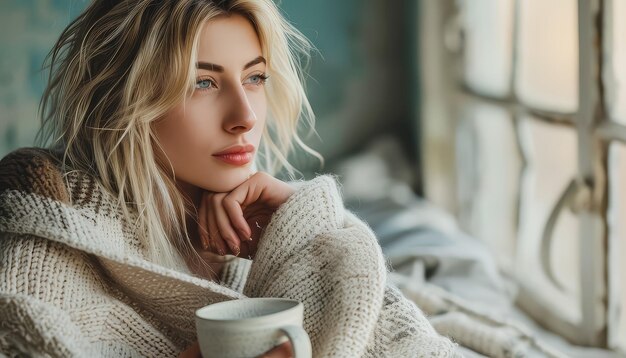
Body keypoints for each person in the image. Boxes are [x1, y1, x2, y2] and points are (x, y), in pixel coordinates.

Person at [0, 0, 461, 357]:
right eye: (203, 83)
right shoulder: (50, 218)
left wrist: (301, 234)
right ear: (125, 98)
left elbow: (414, 347)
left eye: (255, 78)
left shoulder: (259, 221)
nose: (244, 116)